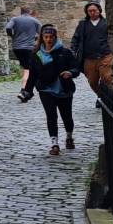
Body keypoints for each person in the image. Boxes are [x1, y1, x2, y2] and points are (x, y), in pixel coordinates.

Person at [28, 24, 78, 155]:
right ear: (42, 38)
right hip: (45, 90)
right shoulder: (36, 54)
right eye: (46, 37)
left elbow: (76, 68)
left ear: (55, 37)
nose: (48, 40)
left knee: (67, 116)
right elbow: (32, 74)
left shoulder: (65, 52)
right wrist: (27, 90)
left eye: (51, 37)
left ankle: (69, 137)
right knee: (51, 116)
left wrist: (70, 72)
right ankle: (54, 144)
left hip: (64, 89)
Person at [71, 1, 113, 106]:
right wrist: (73, 49)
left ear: (99, 11)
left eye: (94, 10)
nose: (92, 13)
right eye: (90, 11)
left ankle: (109, 100)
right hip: (89, 58)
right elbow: (76, 38)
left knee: (107, 78)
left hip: (105, 56)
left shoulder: (106, 23)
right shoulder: (83, 24)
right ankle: (101, 96)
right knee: (93, 82)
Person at [7, 6, 42, 102]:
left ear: (20, 12)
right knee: (28, 69)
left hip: (16, 48)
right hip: (28, 48)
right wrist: (35, 41)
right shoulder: (34, 21)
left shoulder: (15, 19)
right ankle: (24, 91)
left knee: (31, 67)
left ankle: (31, 90)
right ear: (29, 11)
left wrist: (13, 36)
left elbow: (8, 27)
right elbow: (42, 33)